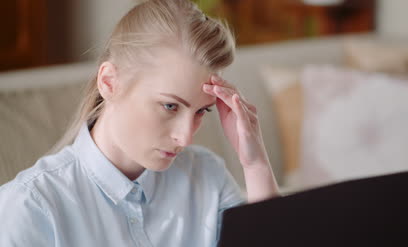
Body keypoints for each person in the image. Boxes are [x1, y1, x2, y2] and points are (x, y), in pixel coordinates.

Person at [0, 0, 279, 246]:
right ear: (109, 82)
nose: (186, 138)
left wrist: (255, 166)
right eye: (170, 106)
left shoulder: (207, 176)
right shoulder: (30, 207)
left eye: (201, 112)